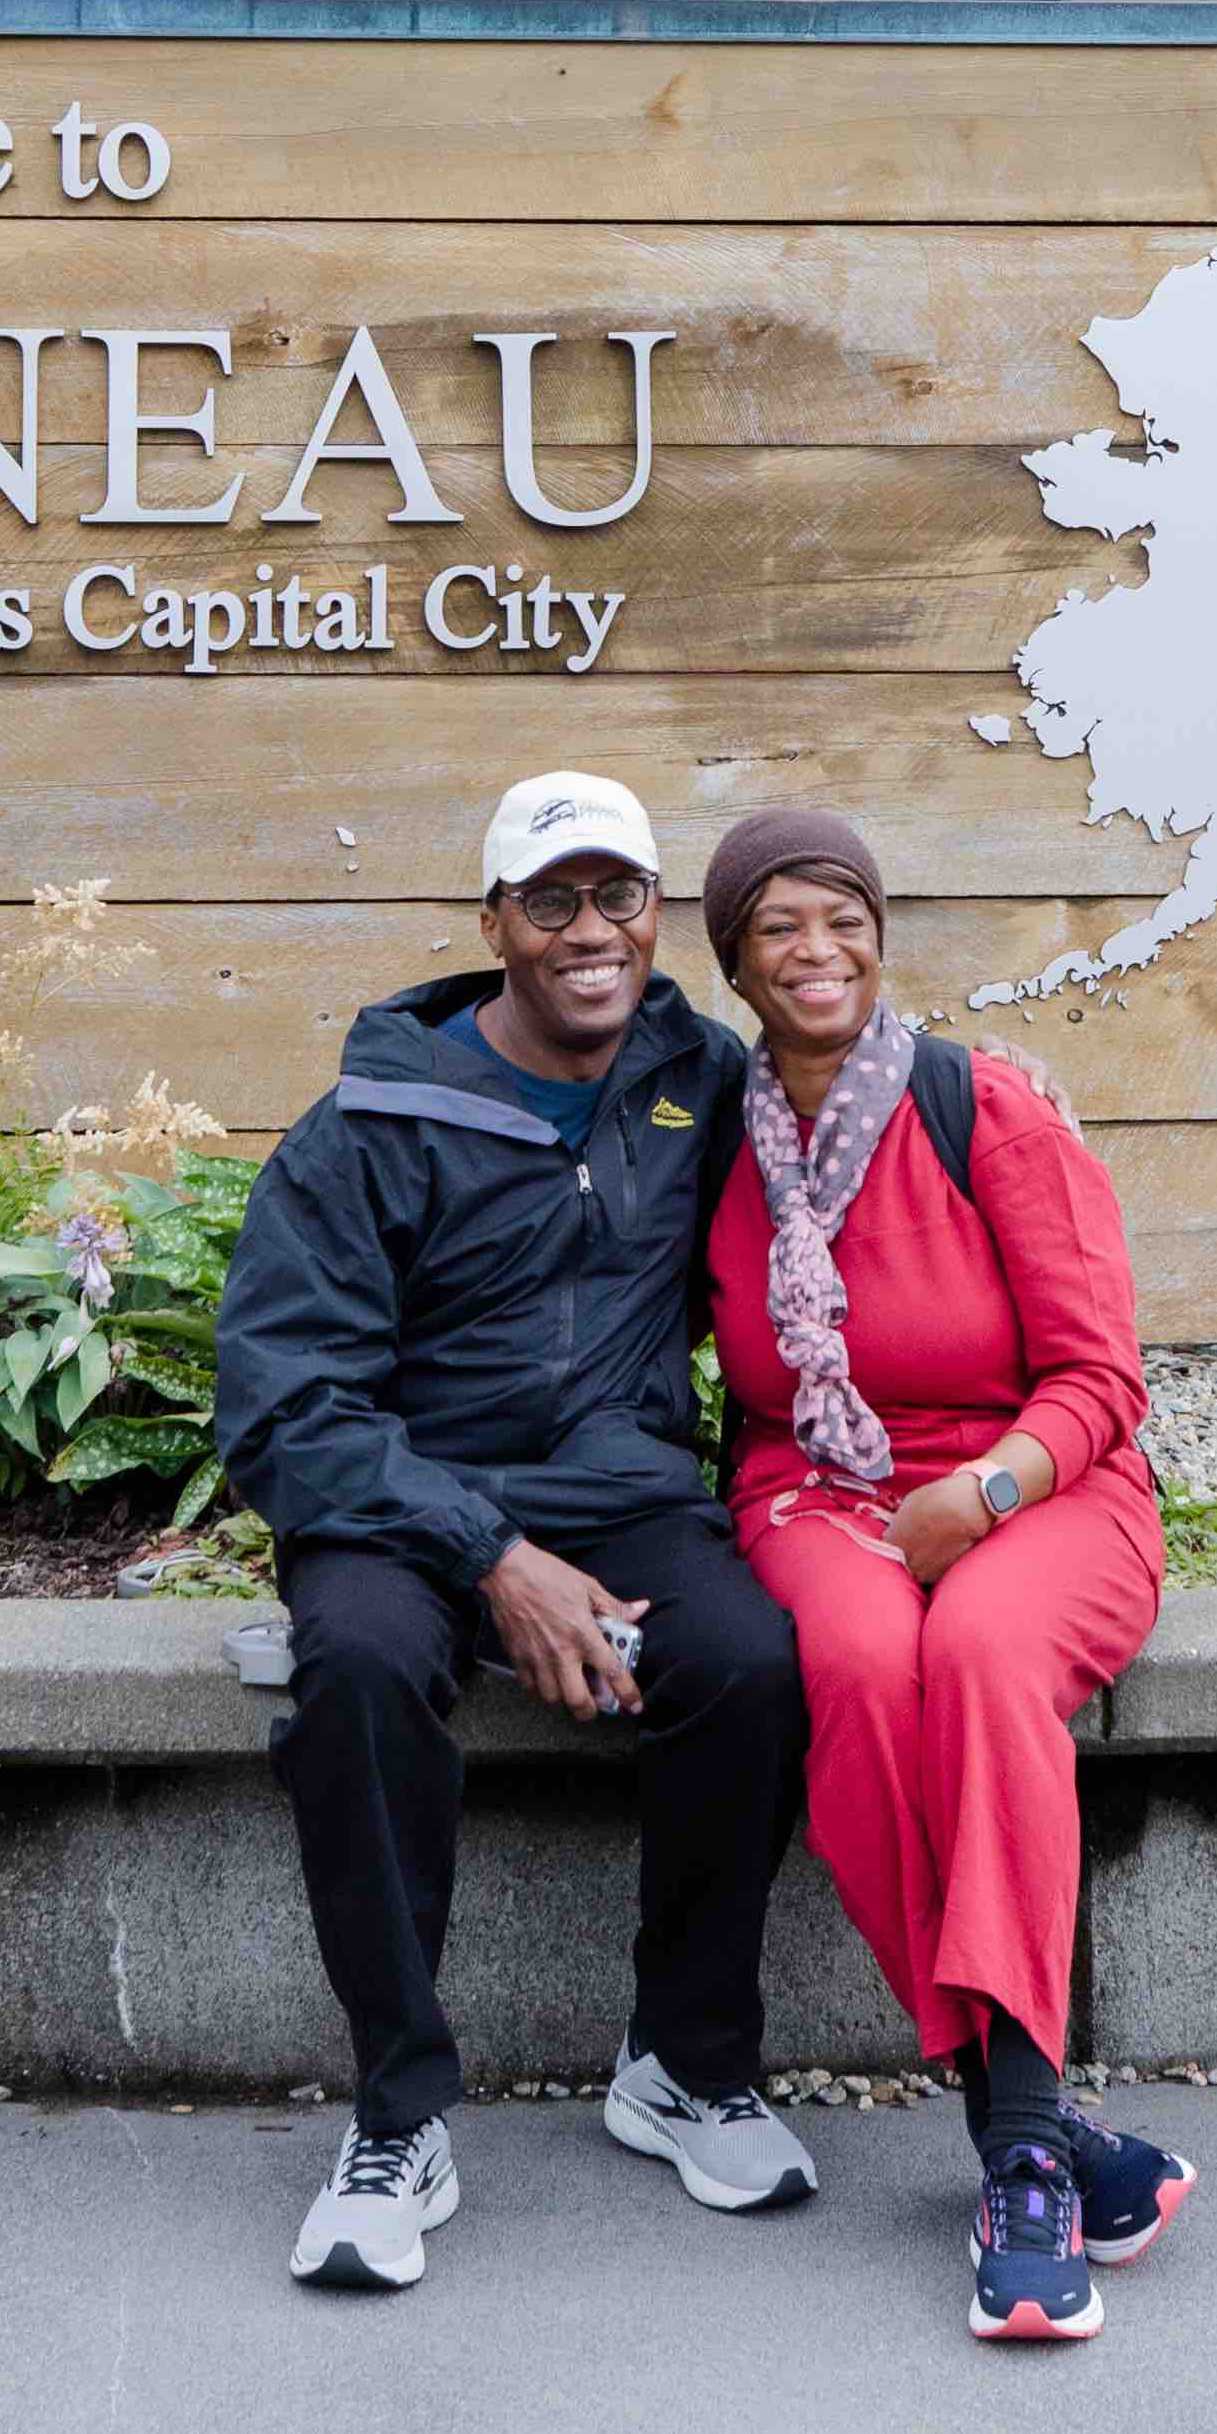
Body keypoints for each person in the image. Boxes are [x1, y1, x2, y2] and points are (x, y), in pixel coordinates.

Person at [212, 768, 818, 2294]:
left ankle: (683, 2063)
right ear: (495, 926)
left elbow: (850, 1104)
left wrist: (990, 1090)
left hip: (619, 1490)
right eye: (552, 900)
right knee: (353, 1666)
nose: (590, 930)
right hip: (404, 1501)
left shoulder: (697, 1080)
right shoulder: (366, 1126)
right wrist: (489, 1552)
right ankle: (399, 2116)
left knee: (750, 1660)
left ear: (656, 918)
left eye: (619, 896)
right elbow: (285, 1412)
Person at [695, 805, 1188, 2346]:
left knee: (978, 1654)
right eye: (778, 925)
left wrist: (979, 1495)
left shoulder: (989, 1109)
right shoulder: (715, 1135)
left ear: (882, 936)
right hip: (815, 1484)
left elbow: (1104, 1379)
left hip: (1038, 1477)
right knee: (849, 1669)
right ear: (736, 963)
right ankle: (1035, 2139)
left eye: (841, 918)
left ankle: (1020, 2147)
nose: (815, 951)